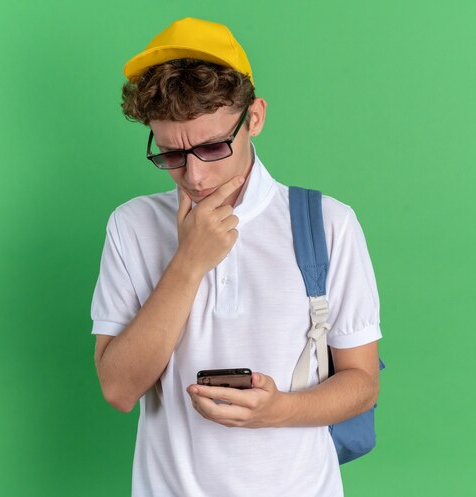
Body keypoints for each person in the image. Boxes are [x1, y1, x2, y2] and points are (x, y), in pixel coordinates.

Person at [91, 17, 382, 497]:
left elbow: (362, 383)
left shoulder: (327, 224)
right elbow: (118, 390)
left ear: (255, 118)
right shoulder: (133, 226)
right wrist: (189, 262)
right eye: (171, 155)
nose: (196, 176)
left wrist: (278, 410)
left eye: (212, 147)